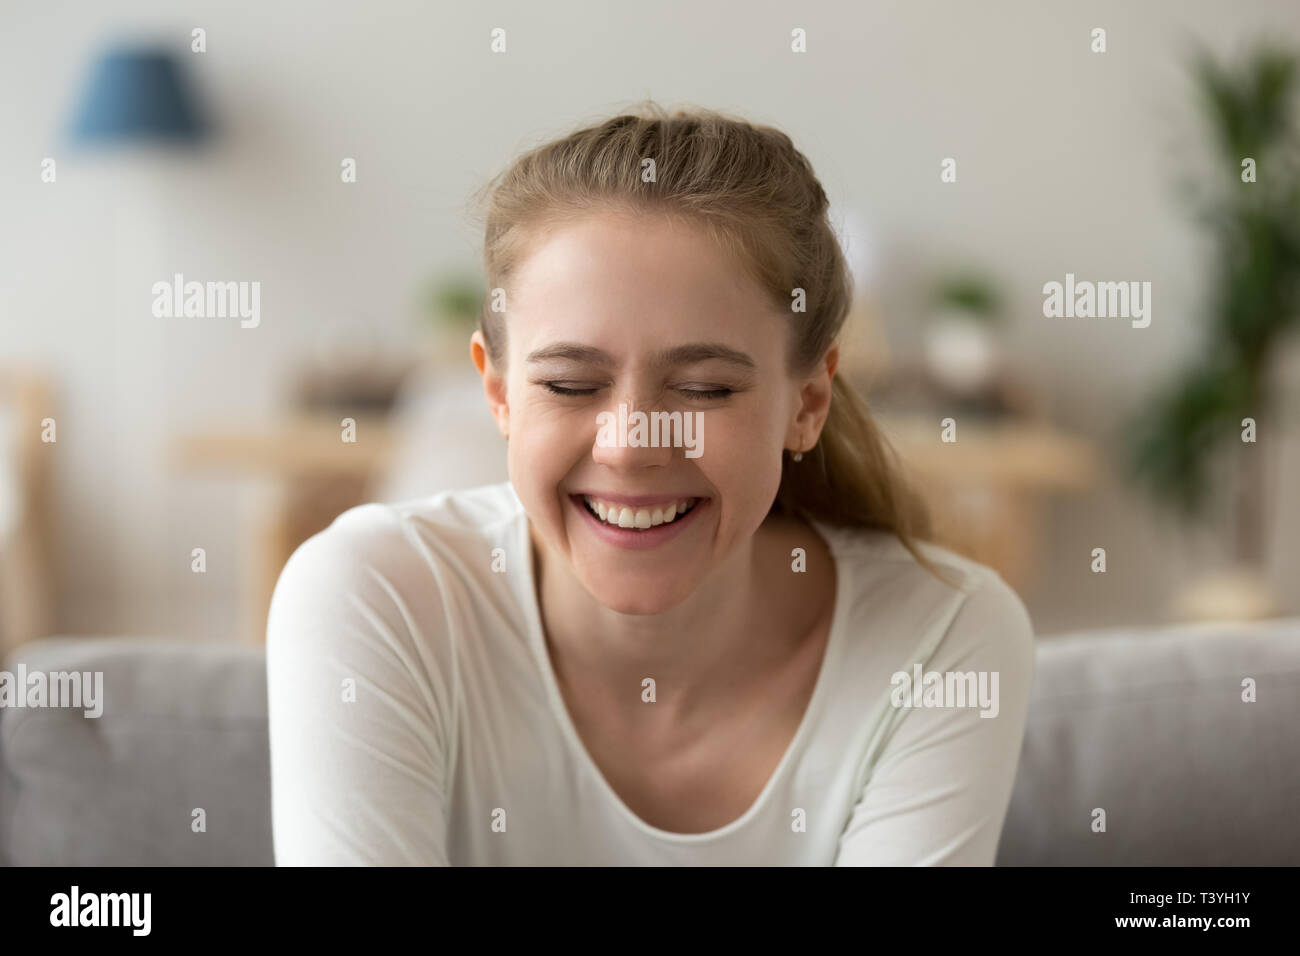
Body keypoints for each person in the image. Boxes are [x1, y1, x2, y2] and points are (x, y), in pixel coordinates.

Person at [266, 103, 1035, 865]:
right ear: (498, 394)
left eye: (703, 390)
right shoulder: (374, 595)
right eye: (570, 385)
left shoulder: (945, 639)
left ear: (807, 402)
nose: (632, 447)